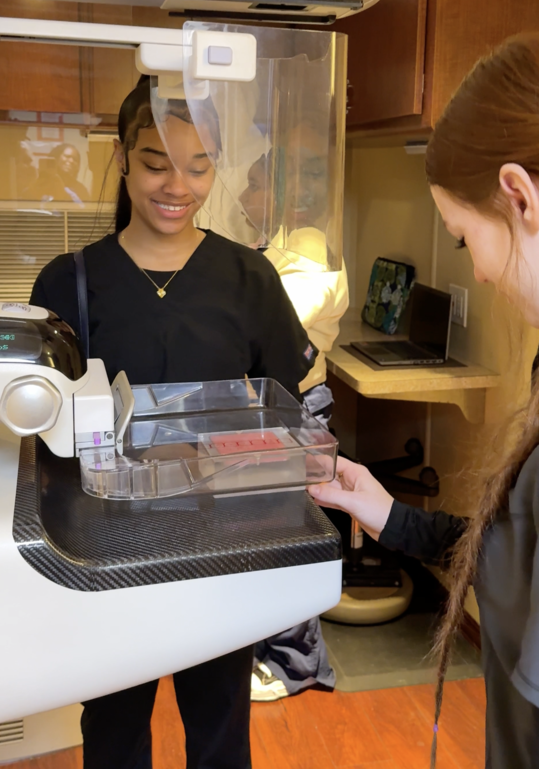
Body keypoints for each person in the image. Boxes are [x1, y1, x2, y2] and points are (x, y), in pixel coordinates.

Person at [308, 34, 539, 769]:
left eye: (466, 242)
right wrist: (391, 516)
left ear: (519, 195)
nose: (485, 277)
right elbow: (525, 553)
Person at [29, 77, 317, 769]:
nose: (176, 185)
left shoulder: (249, 279)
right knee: (115, 727)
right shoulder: (67, 284)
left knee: (220, 727)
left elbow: (289, 409)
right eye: (156, 162)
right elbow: (41, 434)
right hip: (107, 551)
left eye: (199, 165)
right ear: (124, 158)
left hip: (219, 552)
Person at [239, 147, 349, 701]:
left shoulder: (311, 251)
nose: (242, 196)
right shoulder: (278, 242)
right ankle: (269, 650)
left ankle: (297, 667)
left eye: (254, 183)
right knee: (266, 530)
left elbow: (272, 328)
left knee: (288, 534)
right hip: (273, 405)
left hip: (299, 406)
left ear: (280, 191)